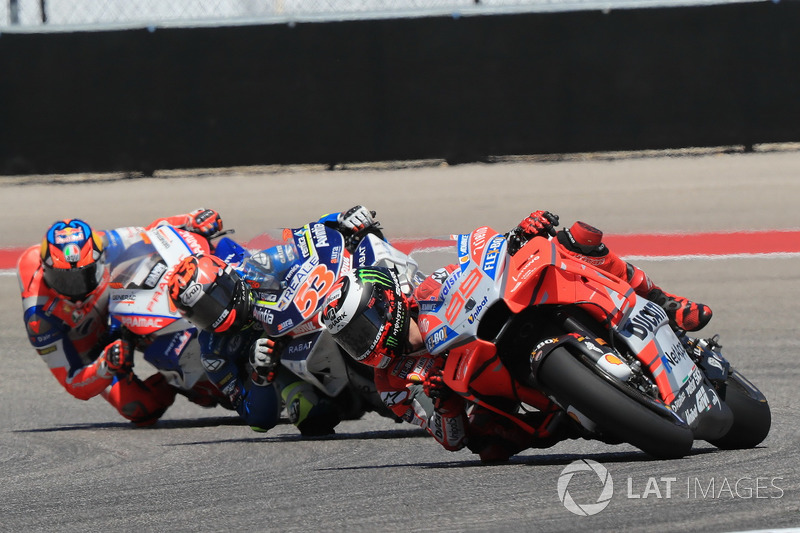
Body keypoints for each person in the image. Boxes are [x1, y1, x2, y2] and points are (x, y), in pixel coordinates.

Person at [319, 210, 714, 461]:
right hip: (492, 392)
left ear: (384, 302)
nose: (363, 343)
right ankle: (570, 414)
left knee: (574, 241)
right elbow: (451, 439)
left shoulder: (423, 292)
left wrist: (518, 236)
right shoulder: (391, 382)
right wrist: (444, 404)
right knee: (487, 448)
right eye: (351, 340)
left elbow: (477, 269)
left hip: (501, 331)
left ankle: (663, 301)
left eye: (361, 328)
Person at [166, 205, 385, 436]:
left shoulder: (256, 268)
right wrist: (260, 376)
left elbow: (309, 238)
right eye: (200, 313)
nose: (213, 314)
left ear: (228, 280)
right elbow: (257, 420)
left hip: (316, 320)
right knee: (312, 418)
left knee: (365, 264)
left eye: (213, 301)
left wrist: (341, 219)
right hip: (294, 374)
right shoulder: (213, 353)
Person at [17, 209, 224, 426]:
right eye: (63, 280)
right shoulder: (39, 318)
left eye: (83, 276)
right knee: (139, 408)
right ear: (45, 270)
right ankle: (177, 381)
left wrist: (190, 220)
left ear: (99, 259)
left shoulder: (104, 244)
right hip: (96, 354)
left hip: (116, 309)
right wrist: (104, 365)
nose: (75, 291)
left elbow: (151, 234)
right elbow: (72, 382)